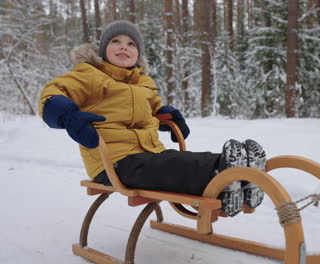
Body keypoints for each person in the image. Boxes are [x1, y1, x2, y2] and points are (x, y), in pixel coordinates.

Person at [38, 20, 265, 216]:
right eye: (116, 41)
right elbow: (51, 95)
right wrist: (69, 116)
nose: (123, 47)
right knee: (172, 166)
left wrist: (170, 116)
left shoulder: (143, 81)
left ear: (138, 53)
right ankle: (224, 173)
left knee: (175, 160)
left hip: (150, 153)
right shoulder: (88, 75)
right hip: (114, 162)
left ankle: (243, 179)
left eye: (131, 44)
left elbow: (156, 109)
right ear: (103, 48)